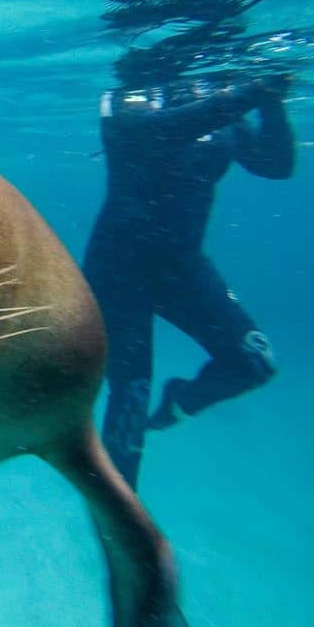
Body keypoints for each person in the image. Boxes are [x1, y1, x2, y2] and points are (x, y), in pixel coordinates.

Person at [83, 74, 295, 488]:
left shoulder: (219, 99)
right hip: (119, 270)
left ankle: (180, 402)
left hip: (183, 267)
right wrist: (249, 93)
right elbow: (158, 133)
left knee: (256, 363)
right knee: (130, 396)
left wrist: (271, 103)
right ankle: (120, 524)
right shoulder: (127, 97)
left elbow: (275, 164)